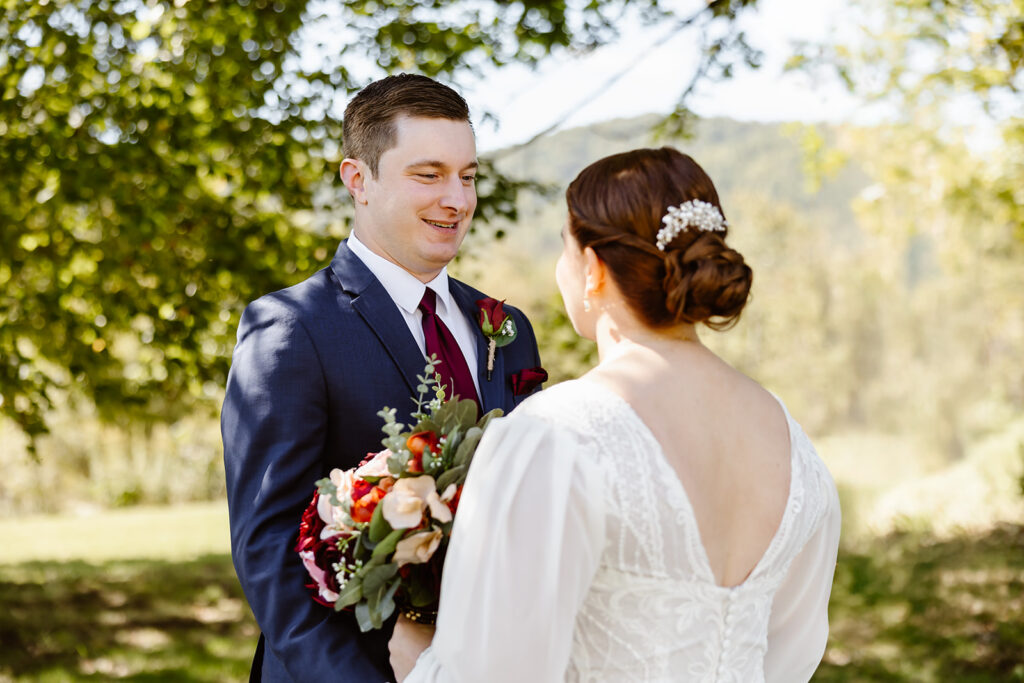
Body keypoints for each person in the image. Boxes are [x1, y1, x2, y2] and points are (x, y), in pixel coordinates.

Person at [388, 147, 842, 682]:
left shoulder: (558, 434)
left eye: (565, 247)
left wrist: (403, 642)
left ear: (594, 270)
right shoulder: (791, 440)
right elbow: (789, 655)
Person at [222, 74, 544, 682]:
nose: (458, 199)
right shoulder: (291, 328)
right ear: (358, 180)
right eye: (429, 175)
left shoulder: (507, 328)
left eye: (468, 176)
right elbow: (269, 554)